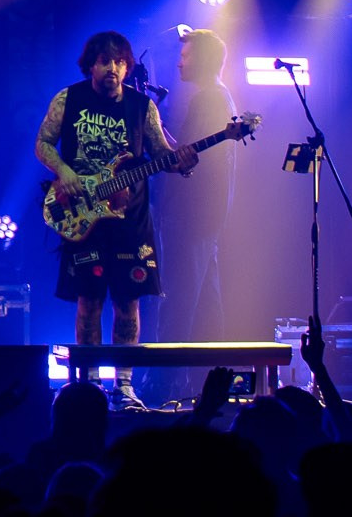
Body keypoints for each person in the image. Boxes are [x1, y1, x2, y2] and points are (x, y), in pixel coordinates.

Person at [36, 30, 195, 407]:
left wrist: (182, 163)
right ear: (91, 64)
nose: (113, 68)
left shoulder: (142, 107)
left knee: (129, 301)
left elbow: (162, 153)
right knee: (88, 300)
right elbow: (42, 142)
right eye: (105, 61)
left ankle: (123, 386)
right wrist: (64, 172)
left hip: (130, 220)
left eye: (120, 62)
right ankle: (89, 384)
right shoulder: (68, 99)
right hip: (83, 214)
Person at [154, 26, 237, 347]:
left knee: (178, 300)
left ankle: (165, 381)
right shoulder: (220, 96)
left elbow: (186, 157)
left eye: (185, 56)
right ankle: (209, 378)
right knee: (205, 305)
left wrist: (157, 129)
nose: (179, 63)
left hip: (191, 217)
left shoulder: (209, 99)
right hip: (207, 218)